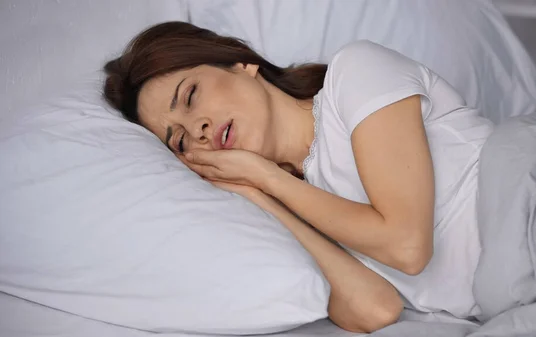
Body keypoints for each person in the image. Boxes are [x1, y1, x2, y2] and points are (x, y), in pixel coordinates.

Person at [103, 21, 494, 333]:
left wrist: (269, 179)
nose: (199, 128)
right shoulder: (295, 201)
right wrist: (258, 193)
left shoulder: (356, 73)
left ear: (241, 63)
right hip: (511, 295)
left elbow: (407, 248)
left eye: (190, 96)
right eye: (181, 140)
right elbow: (376, 308)